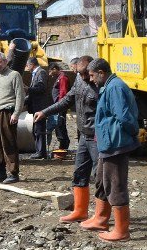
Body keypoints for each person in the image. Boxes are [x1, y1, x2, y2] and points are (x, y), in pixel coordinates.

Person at [35, 56, 99, 223]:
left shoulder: (101, 85)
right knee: (79, 173)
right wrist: (45, 112)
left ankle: (100, 216)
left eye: (86, 74)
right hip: (84, 136)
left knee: (100, 177)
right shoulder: (79, 80)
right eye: (80, 73)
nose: (84, 77)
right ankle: (80, 211)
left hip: (97, 138)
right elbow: (66, 100)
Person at [81, 58, 139, 242]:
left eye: (92, 75)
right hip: (109, 143)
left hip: (116, 143)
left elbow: (123, 116)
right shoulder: (110, 85)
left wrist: (131, 134)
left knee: (115, 184)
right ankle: (100, 219)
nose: (91, 80)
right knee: (102, 181)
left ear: (101, 72)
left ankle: (121, 231)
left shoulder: (114, 87)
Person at [0, 51, 25, 183]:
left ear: (5, 61)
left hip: (7, 112)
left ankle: (13, 173)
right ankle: (0, 172)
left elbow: (20, 96)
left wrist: (16, 113)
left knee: (9, 143)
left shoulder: (14, 75)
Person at [25, 57, 53, 159]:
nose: (27, 68)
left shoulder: (41, 73)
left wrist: (28, 89)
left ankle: (41, 152)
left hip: (40, 106)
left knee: (39, 129)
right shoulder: (36, 73)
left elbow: (41, 88)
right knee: (36, 129)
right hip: (35, 106)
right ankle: (39, 150)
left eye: (27, 66)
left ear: (32, 64)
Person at [48, 62, 71, 152]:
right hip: (58, 106)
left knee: (60, 124)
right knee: (59, 125)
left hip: (60, 106)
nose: (50, 74)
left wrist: (60, 106)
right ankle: (63, 144)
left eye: (50, 71)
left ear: (54, 69)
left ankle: (64, 145)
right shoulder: (59, 78)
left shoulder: (63, 78)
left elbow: (63, 93)